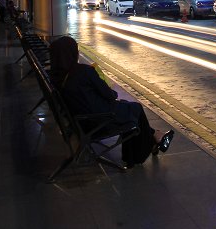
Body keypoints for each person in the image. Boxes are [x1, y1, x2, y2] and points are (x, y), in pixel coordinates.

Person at [49, 36, 173, 167]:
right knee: (136, 108)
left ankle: (155, 138)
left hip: (82, 121)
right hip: (100, 121)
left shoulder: (56, 77)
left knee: (128, 107)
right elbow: (110, 95)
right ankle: (140, 153)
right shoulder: (84, 71)